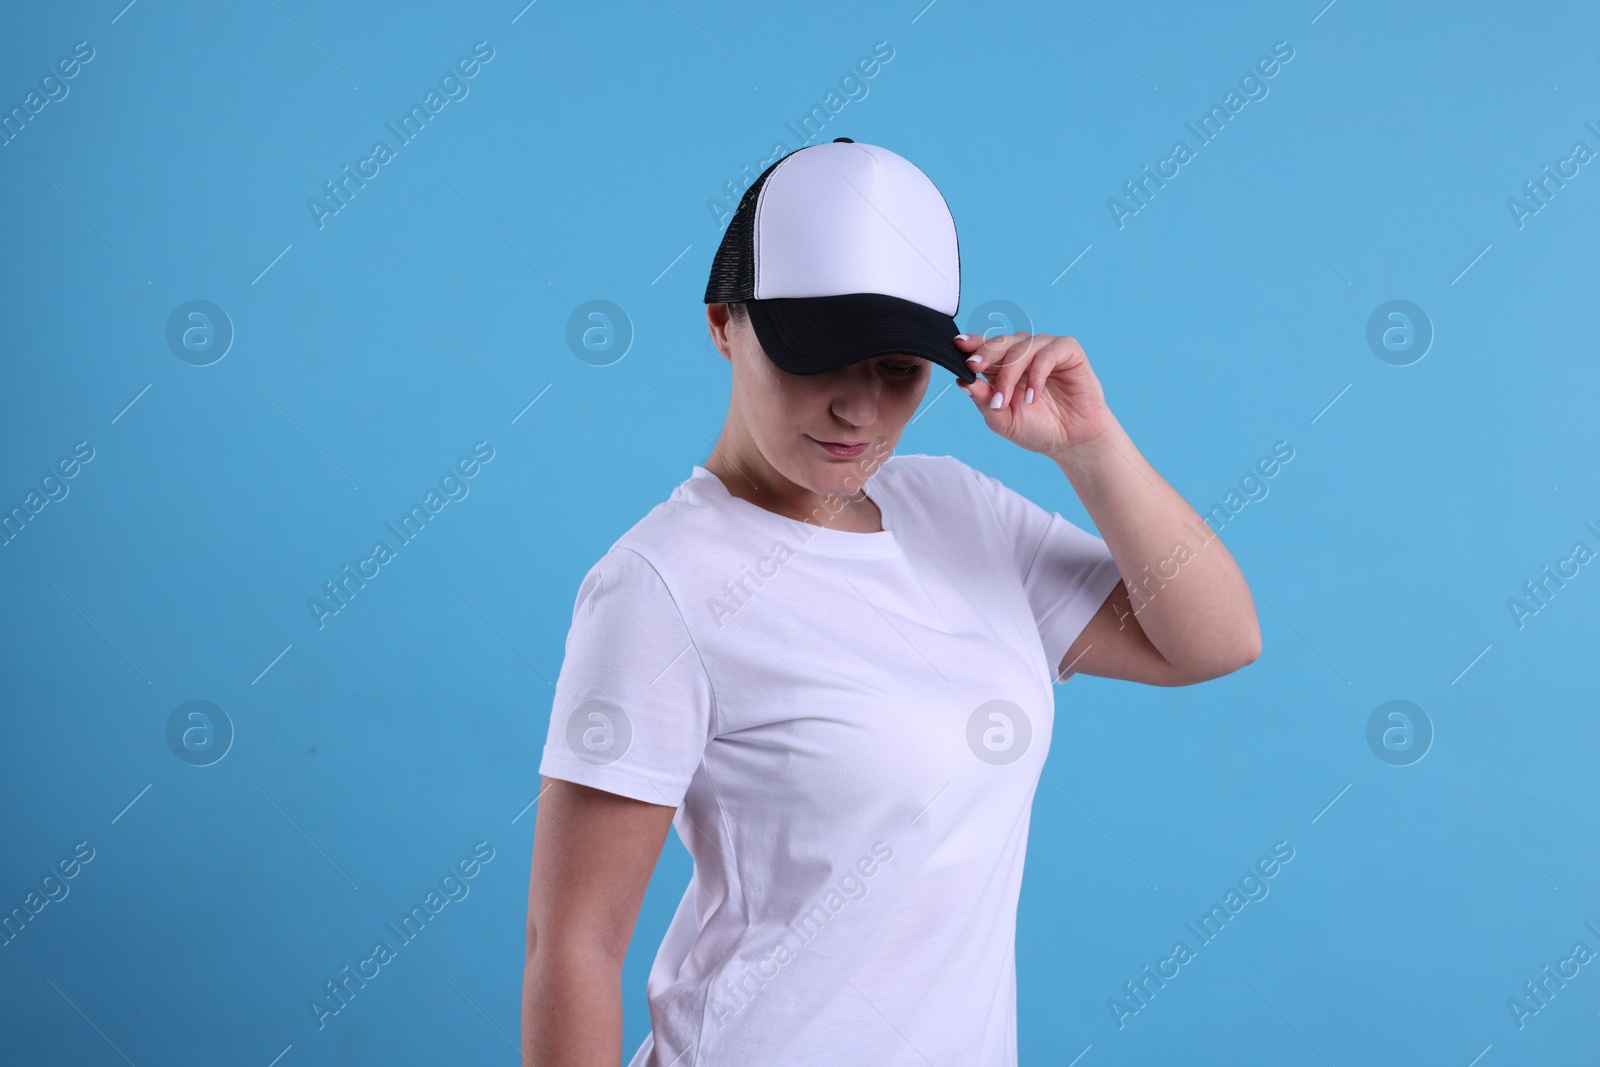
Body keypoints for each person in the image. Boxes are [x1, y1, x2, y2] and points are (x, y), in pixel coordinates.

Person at [522, 139, 1259, 1066]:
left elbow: (1216, 639)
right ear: (723, 323)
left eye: (896, 371)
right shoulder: (658, 586)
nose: (857, 411)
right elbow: (575, 945)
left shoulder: (956, 508)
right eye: (817, 359)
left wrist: (1091, 445)